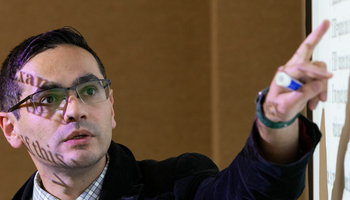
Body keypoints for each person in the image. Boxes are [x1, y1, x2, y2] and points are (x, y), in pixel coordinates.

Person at [0, 20, 332, 200]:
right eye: (48, 99)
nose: (74, 110)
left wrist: (274, 120)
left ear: (110, 106)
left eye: (89, 90)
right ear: (11, 129)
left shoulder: (176, 184)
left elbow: (252, 193)